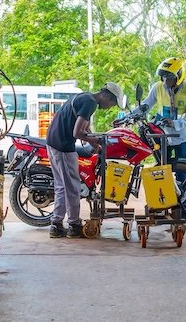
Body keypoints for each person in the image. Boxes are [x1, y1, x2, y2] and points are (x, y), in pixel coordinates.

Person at [46, 82, 126, 238]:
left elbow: (84, 127)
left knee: (62, 186)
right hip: (62, 145)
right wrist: (93, 142)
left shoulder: (85, 97)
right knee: (72, 187)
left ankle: (56, 225)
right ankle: (74, 225)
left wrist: (92, 139)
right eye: (111, 104)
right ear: (107, 96)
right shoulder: (90, 103)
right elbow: (77, 132)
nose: (109, 107)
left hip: (53, 141)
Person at [141, 57, 186, 215]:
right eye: (163, 77)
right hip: (163, 136)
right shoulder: (157, 87)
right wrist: (129, 116)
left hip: (182, 137)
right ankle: (159, 205)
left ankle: (182, 210)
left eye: (169, 77)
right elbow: (145, 105)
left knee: (182, 173)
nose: (165, 80)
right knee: (160, 170)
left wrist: (176, 123)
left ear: (178, 76)